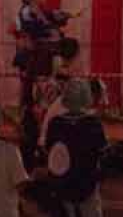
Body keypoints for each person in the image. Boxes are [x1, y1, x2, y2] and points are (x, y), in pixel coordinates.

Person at [44, 80, 106, 217]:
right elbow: (102, 151)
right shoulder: (93, 124)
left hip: (62, 183)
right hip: (87, 181)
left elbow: (49, 150)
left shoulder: (55, 123)